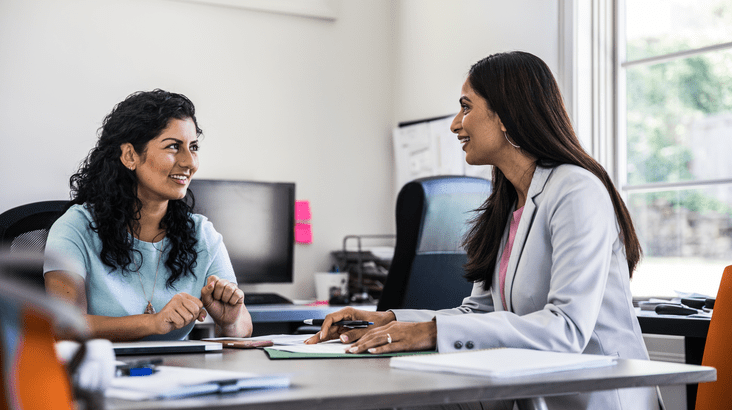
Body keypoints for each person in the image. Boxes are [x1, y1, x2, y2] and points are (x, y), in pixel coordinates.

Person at [306, 52, 660, 409]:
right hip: (539, 395)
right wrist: (390, 320)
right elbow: (478, 313)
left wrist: (431, 332)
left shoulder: (576, 190)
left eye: (466, 108)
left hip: (602, 399)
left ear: (506, 115)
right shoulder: (509, 202)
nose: (456, 124)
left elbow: (566, 329)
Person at [44, 89, 253, 341]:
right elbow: (65, 325)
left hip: (180, 375)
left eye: (193, 147)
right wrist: (153, 323)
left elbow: (243, 327)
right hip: (103, 375)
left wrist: (230, 320)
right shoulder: (75, 227)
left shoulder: (200, 233)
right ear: (130, 156)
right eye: (174, 146)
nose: (190, 162)